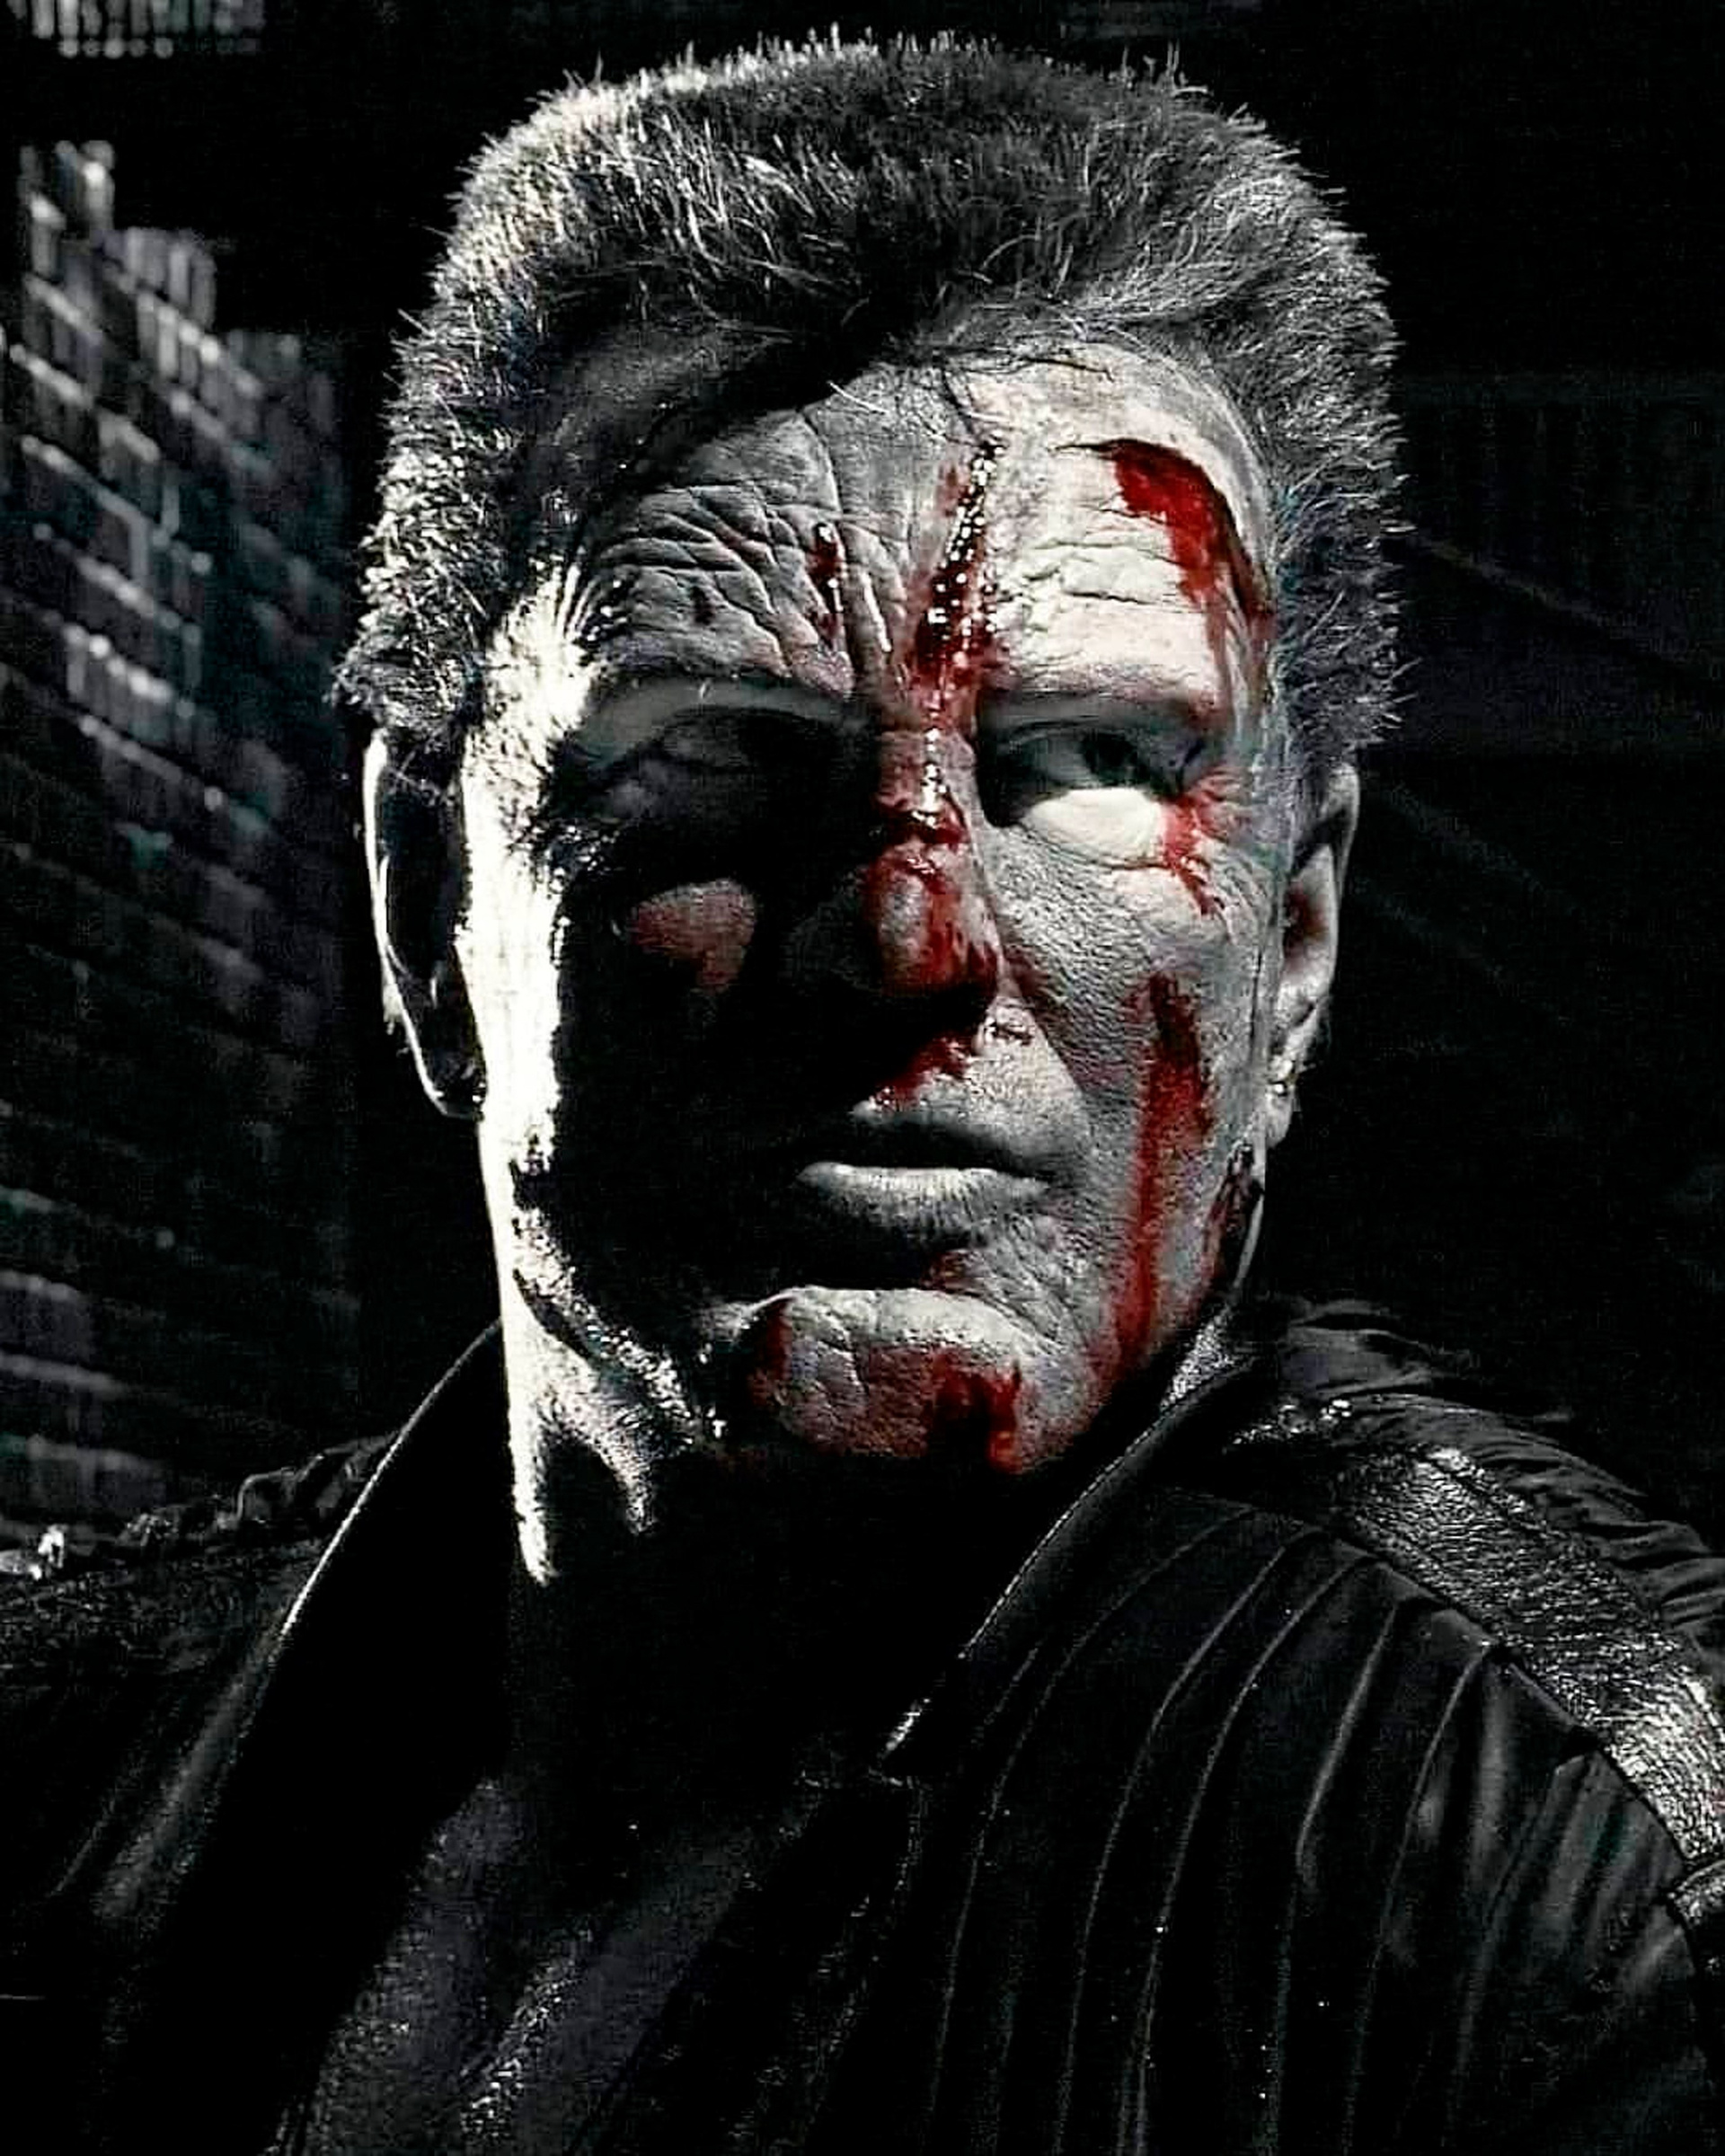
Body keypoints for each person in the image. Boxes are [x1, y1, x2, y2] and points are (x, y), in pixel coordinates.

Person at [4, 37, 1724, 2152]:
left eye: (1091, 766)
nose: (912, 943)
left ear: (1293, 942)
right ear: (431, 903)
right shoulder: (60, 1753)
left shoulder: (1599, 1883)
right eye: (724, 756)